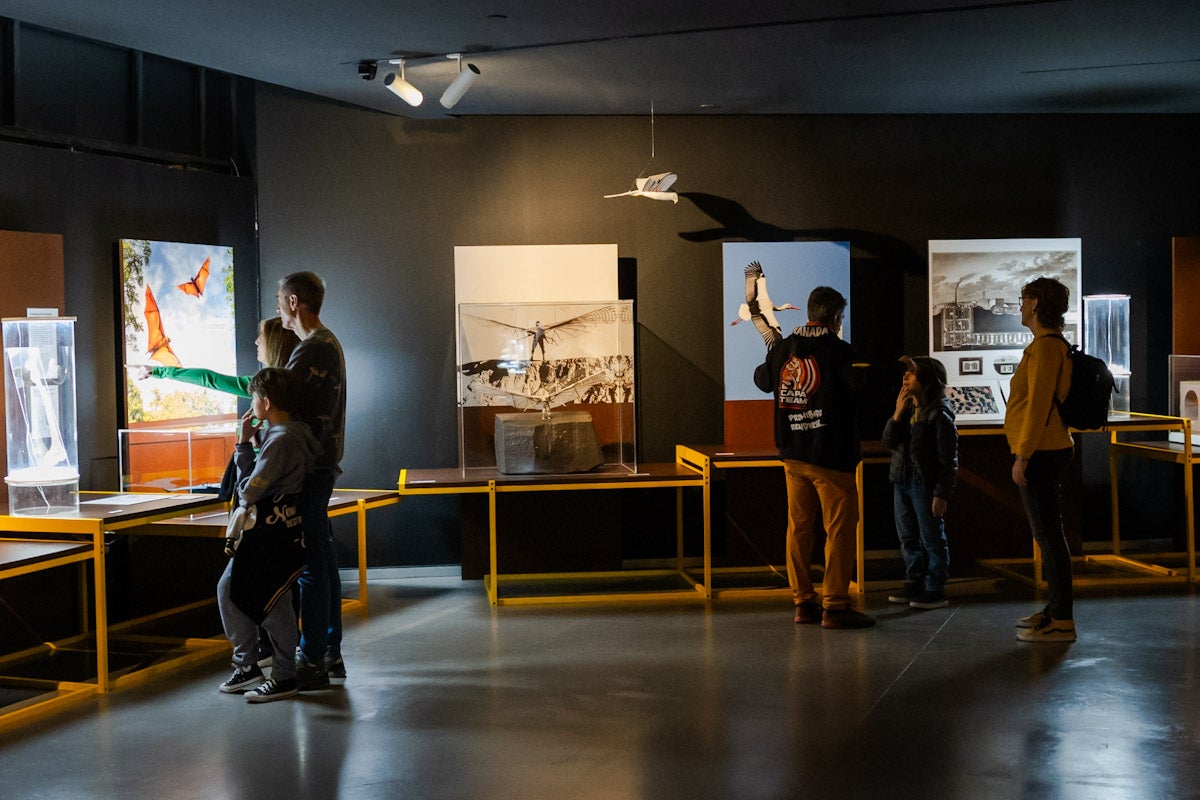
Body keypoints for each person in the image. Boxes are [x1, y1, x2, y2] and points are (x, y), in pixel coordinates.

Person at [753, 286, 875, 629]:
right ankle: (835, 605)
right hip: (831, 456)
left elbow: (762, 380)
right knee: (838, 530)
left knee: (799, 528)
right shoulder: (839, 351)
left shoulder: (783, 349)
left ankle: (803, 602)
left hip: (792, 454)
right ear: (835, 317)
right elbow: (858, 385)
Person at [217, 367, 320, 702]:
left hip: (269, 531)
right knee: (233, 588)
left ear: (267, 401)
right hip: (277, 528)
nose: (251, 403)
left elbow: (251, 487)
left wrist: (244, 445)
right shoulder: (288, 433)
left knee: (273, 600)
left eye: (254, 397)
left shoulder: (282, 439)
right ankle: (248, 667)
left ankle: (284, 673)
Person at [277, 271, 348, 687]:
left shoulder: (313, 349)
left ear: (293, 302)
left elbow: (273, 395)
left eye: (279, 300)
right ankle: (326, 652)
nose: (279, 309)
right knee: (321, 559)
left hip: (309, 471)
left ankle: (313, 657)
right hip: (319, 467)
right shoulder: (324, 345)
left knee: (311, 565)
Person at [1006, 277, 1077, 643]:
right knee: (1045, 534)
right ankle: (1054, 610)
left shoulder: (1048, 348)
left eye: (1023, 299)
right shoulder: (1043, 346)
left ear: (1035, 303)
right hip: (1044, 449)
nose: (1019, 306)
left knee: (1049, 535)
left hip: (1043, 451)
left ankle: (1062, 620)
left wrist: (1024, 454)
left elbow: (1037, 407)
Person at [883, 356, 958, 610]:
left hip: (923, 483)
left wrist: (941, 493)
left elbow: (949, 460)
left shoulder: (939, 413)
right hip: (901, 480)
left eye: (912, 373)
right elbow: (889, 442)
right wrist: (896, 413)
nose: (905, 377)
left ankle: (935, 587)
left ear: (927, 380)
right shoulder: (907, 409)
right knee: (908, 537)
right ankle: (914, 581)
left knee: (931, 537)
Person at [142, 317, 300, 395]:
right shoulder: (293, 382)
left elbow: (210, 379)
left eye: (262, 337)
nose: (256, 341)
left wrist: (159, 372)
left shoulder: (268, 385)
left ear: (275, 344)